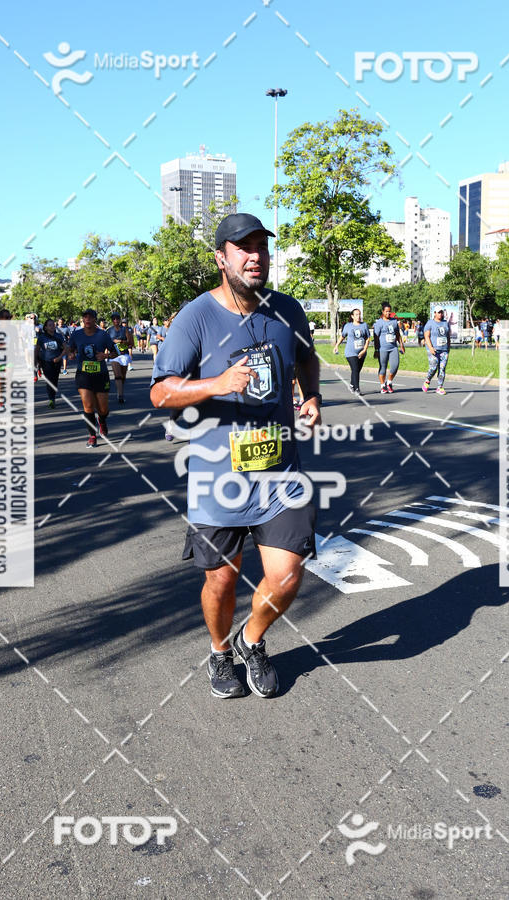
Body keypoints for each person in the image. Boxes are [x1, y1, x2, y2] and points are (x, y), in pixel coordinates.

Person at [150, 212, 321, 700]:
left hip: (280, 474)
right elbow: (161, 392)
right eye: (242, 248)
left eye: (261, 247)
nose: (255, 256)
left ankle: (252, 639)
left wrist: (311, 396)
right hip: (216, 479)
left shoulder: (288, 311)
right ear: (221, 258)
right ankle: (220, 651)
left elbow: (306, 357)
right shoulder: (195, 317)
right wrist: (217, 384)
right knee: (221, 583)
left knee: (287, 575)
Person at [68, 308, 118, 447]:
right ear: (82, 320)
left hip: (100, 375)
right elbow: (70, 348)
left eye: (90, 317)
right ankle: (92, 435)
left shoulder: (103, 335)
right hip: (83, 375)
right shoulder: (76, 334)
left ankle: (102, 420)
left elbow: (116, 351)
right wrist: (70, 354)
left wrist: (105, 355)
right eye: (85, 317)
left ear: (95, 319)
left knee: (103, 409)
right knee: (88, 405)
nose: (88, 319)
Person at [333, 308, 370, 395]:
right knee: (355, 369)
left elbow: (368, 338)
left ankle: (352, 384)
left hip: (362, 352)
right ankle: (357, 389)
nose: (359, 316)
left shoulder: (364, 325)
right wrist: (336, 346)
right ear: (352, 316)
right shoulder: (348, 326)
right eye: (356, 314)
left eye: (359, 314)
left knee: (357, 370)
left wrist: (364, 350)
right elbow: (342, 337)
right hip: (350, 353)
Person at [373, 303, 404, 394]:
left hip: (393, 347)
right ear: (383, 312)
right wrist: (376, 350)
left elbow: (398, 334)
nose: (388, 313)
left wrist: (401, 345)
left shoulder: (394, 322)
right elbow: (375, 337)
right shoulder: (379, 323)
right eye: (386, 311)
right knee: (383, 367)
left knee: (395, 366)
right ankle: (383, 386)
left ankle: (389, 382)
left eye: (389, 311)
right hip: (382, 349)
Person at [35, 318, 66, 408]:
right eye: (50, 325)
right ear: (46, 327)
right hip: (46, 362)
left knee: (55, 380)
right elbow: (36, 350)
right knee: (49, 380)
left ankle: (53, 396)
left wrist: (59, 357)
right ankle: (51, 399)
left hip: (57, 361)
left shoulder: (59, 336)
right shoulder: (41, 338)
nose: (52, 326)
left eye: (53, 325)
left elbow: (66, 348)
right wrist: (36, 361)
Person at [422, 306, 450, 395]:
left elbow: (448, 336)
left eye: (441, 312)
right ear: (434, 313)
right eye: (438, 312)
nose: (440, 314)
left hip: (444, 350)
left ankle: (440, 387)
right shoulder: (430, 323)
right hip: (433, 349)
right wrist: (430, 348)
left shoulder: (445, 323)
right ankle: (427, 380)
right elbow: (426, 336)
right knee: (433, 368)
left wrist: (448, 348)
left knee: (442, 368)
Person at [107, 312, 134, 404]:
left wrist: (121, 341)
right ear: (112, 320)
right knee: (117, 376)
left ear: (119, 320)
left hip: (124, 355)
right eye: (114, 319)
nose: (116, 321)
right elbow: (106, 343)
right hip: (114, 356)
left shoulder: (125, 329)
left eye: (117, 319)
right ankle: (120, 395)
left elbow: (131, 343)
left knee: (122, 376)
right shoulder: (109, 330)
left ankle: (120, 390)